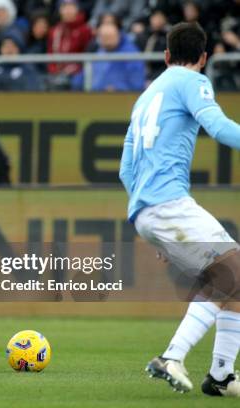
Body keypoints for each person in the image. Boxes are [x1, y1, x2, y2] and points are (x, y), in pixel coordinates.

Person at [119, 22, 240, 397]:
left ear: (167, 55)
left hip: (146, 209)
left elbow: (126, 169)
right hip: (167, 202)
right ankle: (172, 356)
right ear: (203, 58)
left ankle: (221, 376)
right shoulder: (192, 81)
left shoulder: (146, 96)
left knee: (233, 281)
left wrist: (149, 220)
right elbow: (218, 127)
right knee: (230, 272)